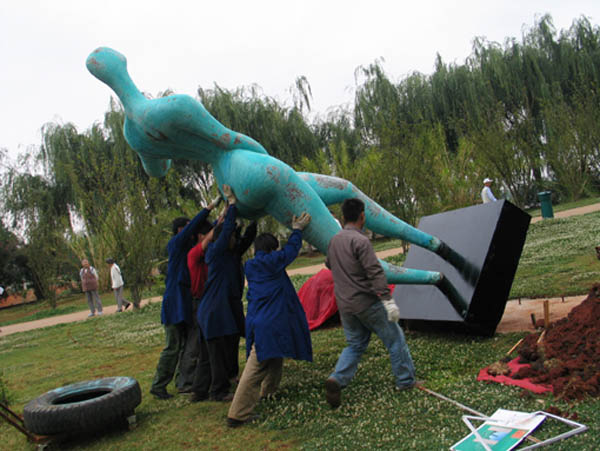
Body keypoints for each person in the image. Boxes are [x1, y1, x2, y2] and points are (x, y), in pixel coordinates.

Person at [323, 198, 417, 408]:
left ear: (344, 216)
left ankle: (337, 379)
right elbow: (374, 271)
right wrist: (387, 301)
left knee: (355, 344)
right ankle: (406, 381)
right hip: (366, 302)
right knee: (395, 339)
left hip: (345, 305)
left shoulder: (334, 241)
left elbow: (329, 263)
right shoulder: (361, 241)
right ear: (362, 216)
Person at [227, 212, 313, 428]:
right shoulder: (271, 262)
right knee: (256, 366)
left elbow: (282, 256)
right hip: (270, 322)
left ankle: (269, 392)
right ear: (270, 249)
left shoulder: (252, 266)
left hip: (259, 320)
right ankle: (237, 414)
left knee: (275, 355)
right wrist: (297, 230)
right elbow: (290, 252)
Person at [149, 196, 222, 400]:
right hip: (175, 304)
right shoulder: (176, 245)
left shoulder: (190, 250)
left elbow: (206, 235)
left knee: (187, 346)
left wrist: (222, 218)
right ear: (182, 230)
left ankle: (184, 382)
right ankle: (159, 384)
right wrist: (208, 208)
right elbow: (195, 231)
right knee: (173, 346)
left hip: (186, 302)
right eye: (189, 228)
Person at [191, 185, 257, 402]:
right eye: (230, 237)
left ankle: (200, 391)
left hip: (221, 309)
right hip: (214, 311)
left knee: (214, 353)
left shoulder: (230, 254)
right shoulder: (216, 253)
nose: (234, 240)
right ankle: (217, 391)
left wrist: (255, 219)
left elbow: (245, 240)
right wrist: (231, 205)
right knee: (215, 354)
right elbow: (227, 231)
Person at [175, 218, 215, 393]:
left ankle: (200, 377)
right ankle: (185, 382)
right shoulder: (194, 253)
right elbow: (208, 238)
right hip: (197, 302)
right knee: (194, 343)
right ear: (200, 236)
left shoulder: (205, 253)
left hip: (204, 301)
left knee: (205, 342)